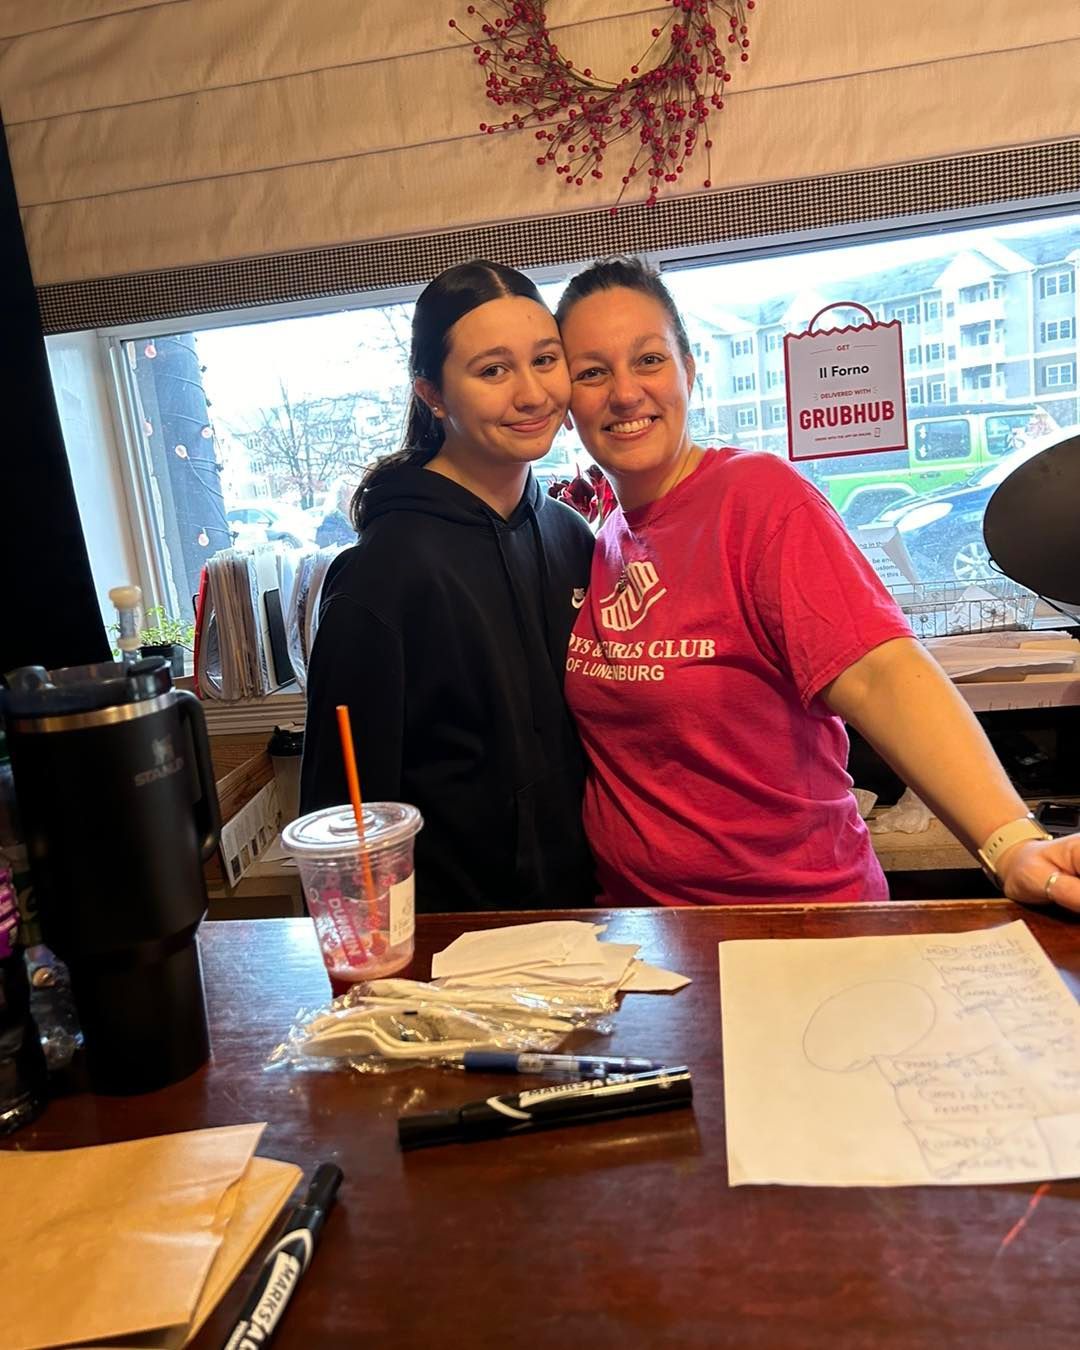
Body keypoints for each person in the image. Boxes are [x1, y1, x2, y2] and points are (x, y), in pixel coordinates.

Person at [555, 256, 1080, 911]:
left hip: (796, 919)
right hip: (646, 932)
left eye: (649, 360)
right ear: (566, 402)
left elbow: (879, 673)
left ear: (689, 372)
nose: (625, 392)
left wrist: (1011, 844)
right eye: (592, 372)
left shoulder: (758, 498)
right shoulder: (606, 536)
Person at [300, 260, 596, 912]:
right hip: (454, 956)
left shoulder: (573, 538)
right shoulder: (383, 577)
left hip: (590, 924)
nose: (531, 393)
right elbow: (342, 819)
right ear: (433, 394)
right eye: (493, 370)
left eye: (545, 360)